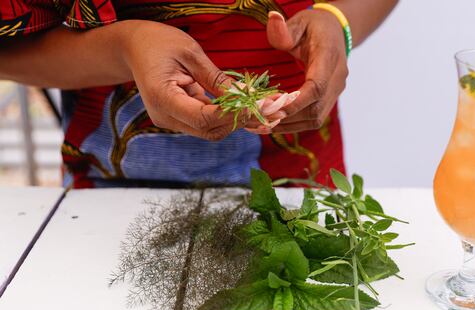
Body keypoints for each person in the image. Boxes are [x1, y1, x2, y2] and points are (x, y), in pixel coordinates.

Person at [0, 0, 397, 188]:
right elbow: (8, 51)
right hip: (109, 192)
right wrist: (123, 49)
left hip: (299, 182)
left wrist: (338, 20)